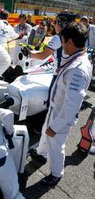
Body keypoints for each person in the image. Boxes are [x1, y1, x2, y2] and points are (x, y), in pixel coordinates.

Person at [30, 22, 92, 187]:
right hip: (55, 109)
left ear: (70, 42)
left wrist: (56, 126)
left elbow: (71, 106)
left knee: (56, 145)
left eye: (63, 41)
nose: (61, 45)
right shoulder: (75, 57)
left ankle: (56, 174)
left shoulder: (78, 70)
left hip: (62, 116)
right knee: (45, 132)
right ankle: (41, 154)